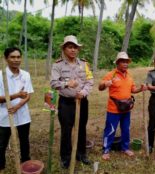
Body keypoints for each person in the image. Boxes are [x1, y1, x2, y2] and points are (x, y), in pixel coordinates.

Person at [50, 35, 94, 168]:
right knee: (66, 130)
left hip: (82, 102)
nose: (73, 50)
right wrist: (66, 84)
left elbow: (90, 81)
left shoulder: (84, 64)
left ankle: (81, 154)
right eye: (70, 47)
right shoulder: (57, 65)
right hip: (66, 103)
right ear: (64, 49)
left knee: (81, 128)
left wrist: (84, 92)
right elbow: (53, 84)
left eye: (75, 47)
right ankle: (66, 157)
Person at [99, 52, 147, 160]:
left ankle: (125, 148)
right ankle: (106, 150)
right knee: (110, 129)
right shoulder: (111, 74)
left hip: (126, 108)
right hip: (113, 109)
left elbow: (133, 90)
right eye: (123, 62)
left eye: (126, 62)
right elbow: (100, 87)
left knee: (126, 129)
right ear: (117, 63)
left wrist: (141, 89)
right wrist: (104, 84)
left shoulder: (129, 76)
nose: (125, 64)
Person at [0, 47, 34, 170]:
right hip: (5, 115)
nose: (16, 60)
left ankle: (25, 164)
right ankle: (1, 166)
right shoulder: (0, 76)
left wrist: (18, 105)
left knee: (24, 141)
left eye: (18, 57)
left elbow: (28, 94)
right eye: (12, 57)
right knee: (1, 144)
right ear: (6, 58)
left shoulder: (25, 75)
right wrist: (16, 96)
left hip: (23, 115)